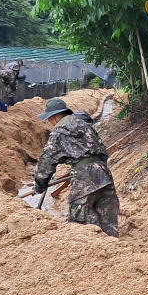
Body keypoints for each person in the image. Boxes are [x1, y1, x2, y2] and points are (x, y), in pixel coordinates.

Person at [33, 97, 119, 237]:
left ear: (55, 116)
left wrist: (39, 186)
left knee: (80, 228)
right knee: (108, 224)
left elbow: (45, 164)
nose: (49, 122)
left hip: (84, 180)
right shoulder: (86, 126)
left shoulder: (58, 133)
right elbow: (102, 152)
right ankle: (114, 255)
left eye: (49, 118)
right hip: (104, 174)